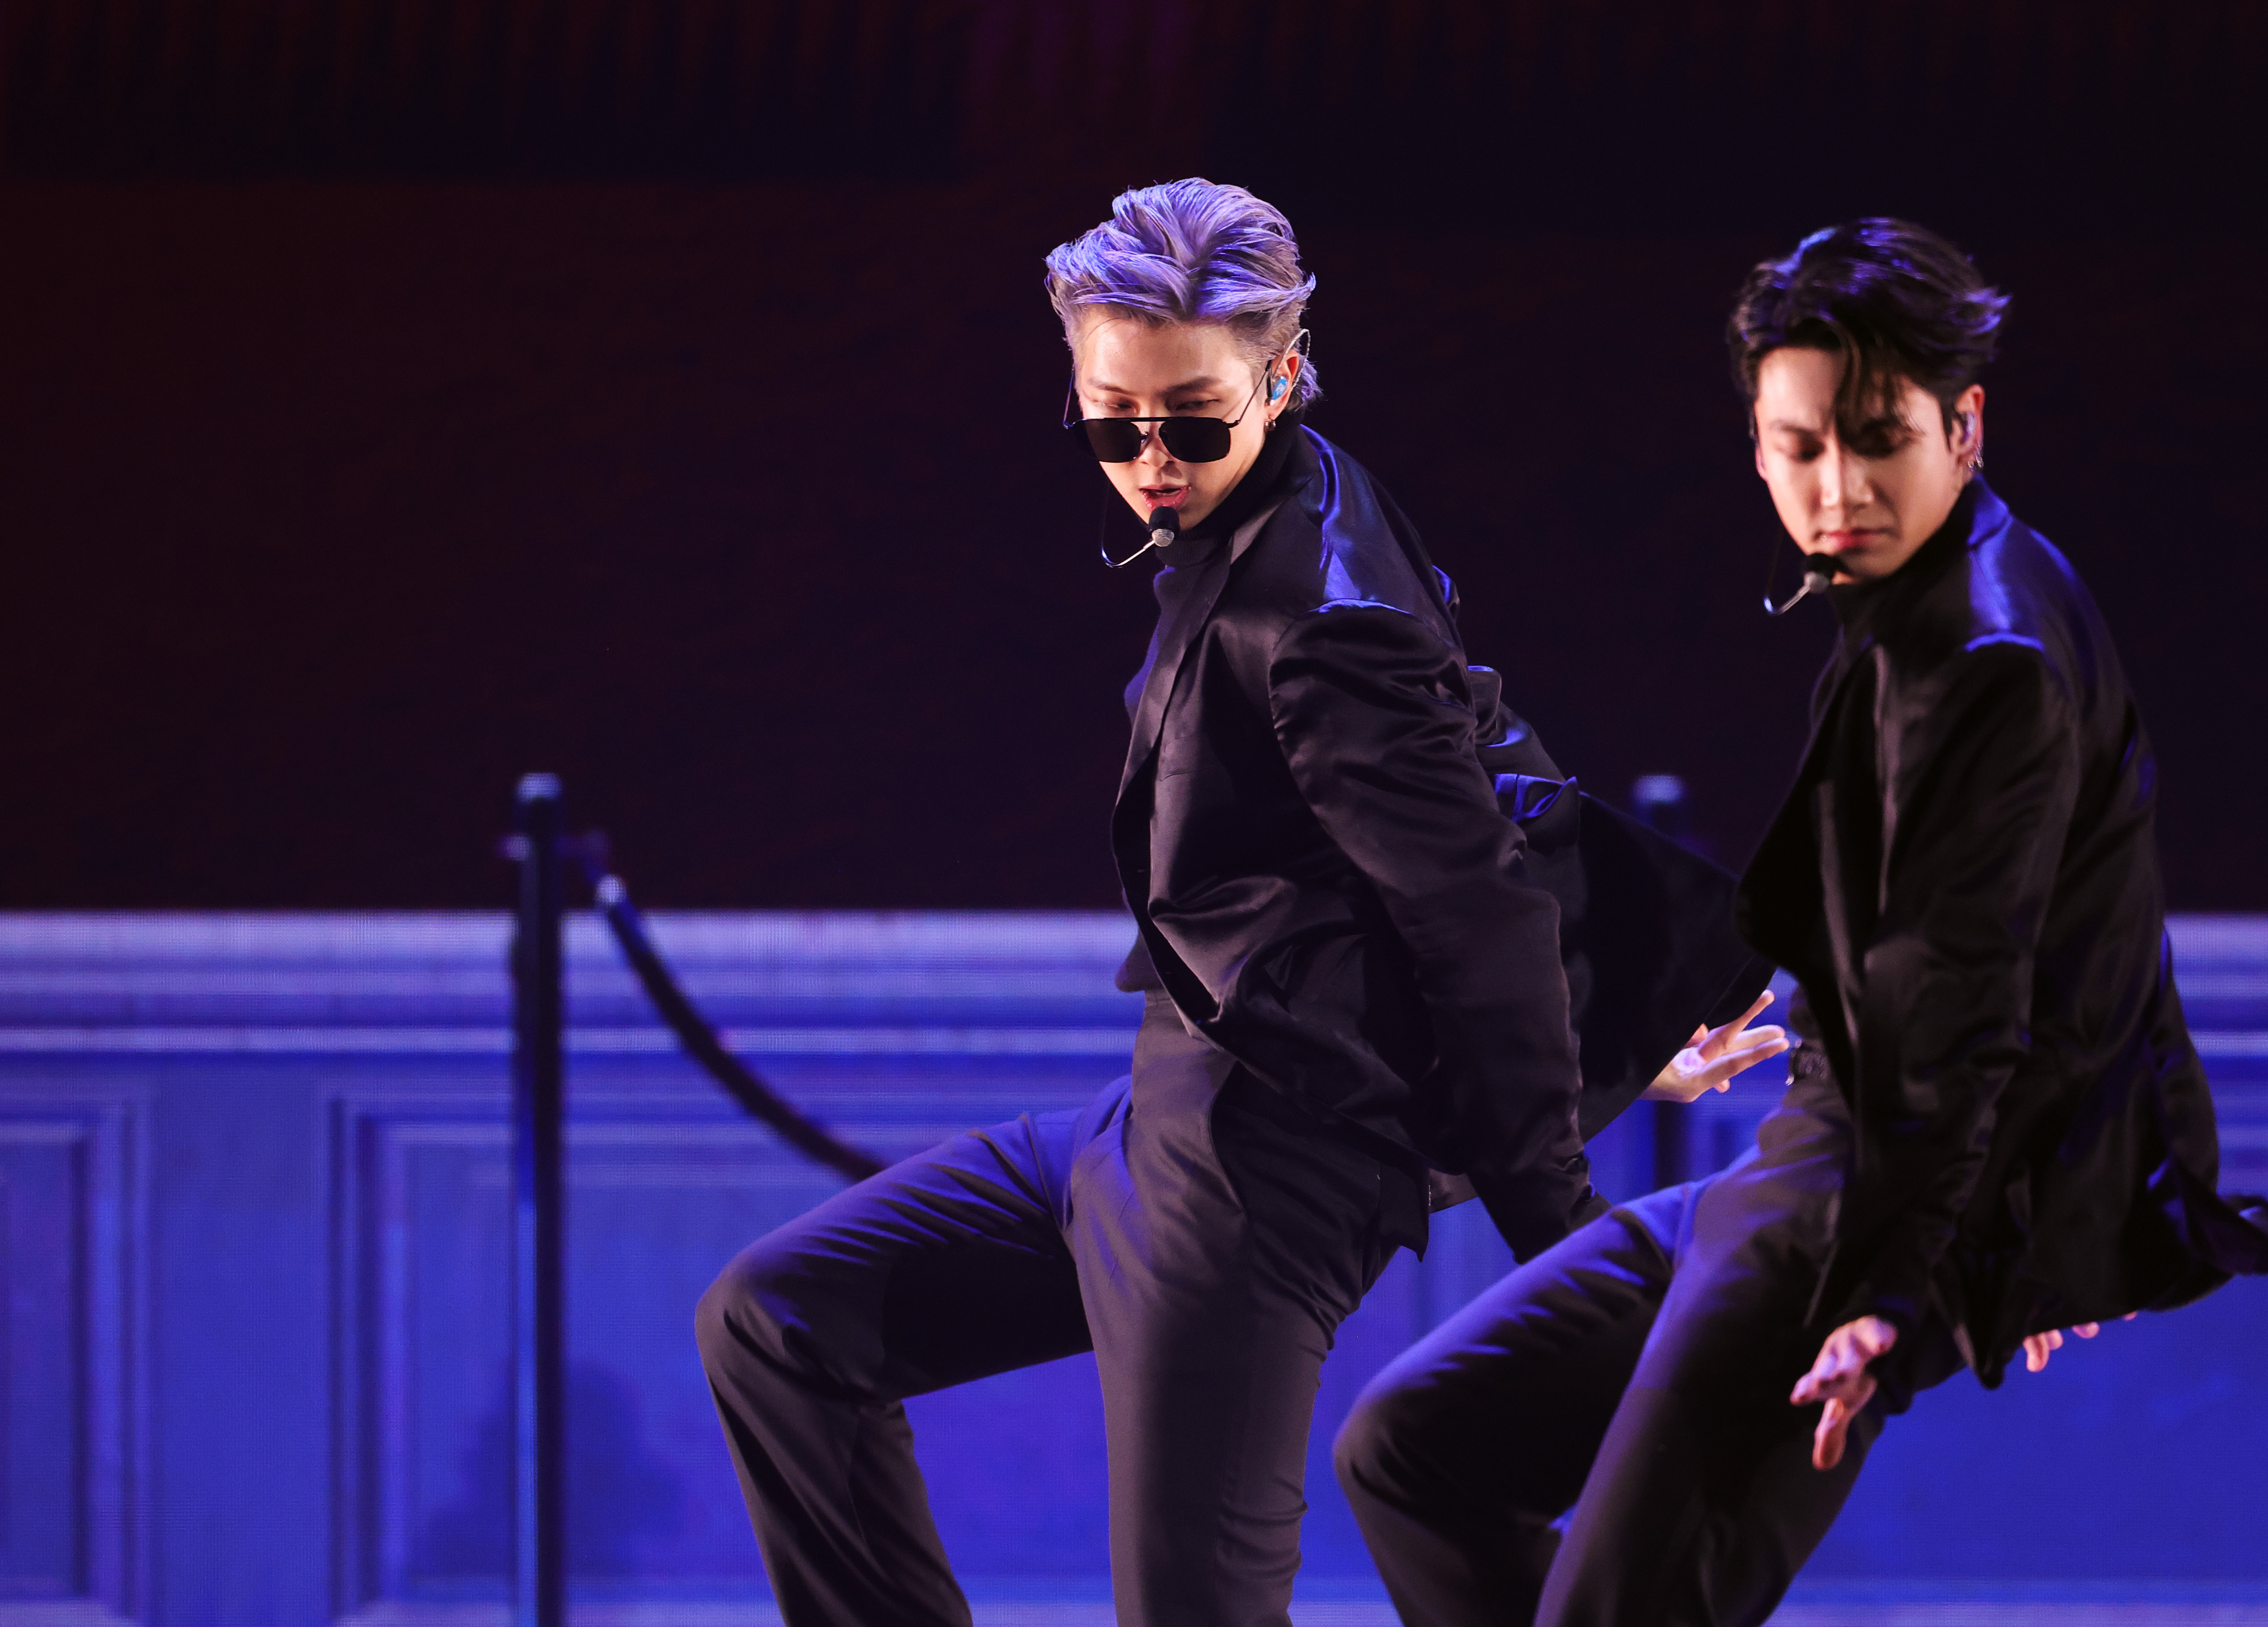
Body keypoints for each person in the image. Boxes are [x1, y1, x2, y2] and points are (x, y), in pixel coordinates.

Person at [691, 178, 1786, 1627]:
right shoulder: (1294, 488)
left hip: (1260, 1178)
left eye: (1191, 420)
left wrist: (1566, 1231)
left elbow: (1475, 914)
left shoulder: (1326, 618)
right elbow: (1489, 773)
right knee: (778, 1320)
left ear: (1281, 375)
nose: (1151, 460)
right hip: (1155, 1115)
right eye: (1110, 421)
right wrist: (1613, 1028)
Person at [1333, 218, 2268, 1627]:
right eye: (1797, 447)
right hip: (1799, 1165)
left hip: (1847, 1212)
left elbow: (1974, 1000)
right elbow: (2094, 912)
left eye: (1874, 439)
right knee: (1416, 1448)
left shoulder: (1988, 657)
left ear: (1961, 427)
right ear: (1756, 444)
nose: (1835, 488)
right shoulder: (1931, 599)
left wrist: (1909, 1289)